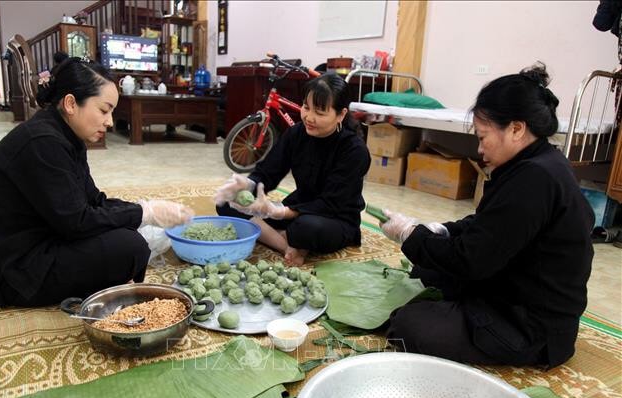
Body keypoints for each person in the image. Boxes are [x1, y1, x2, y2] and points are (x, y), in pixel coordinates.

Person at [380, 63, 595, 368]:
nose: (479, 148)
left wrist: (411, 235)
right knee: (426, 273)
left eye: (483, 137)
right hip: (513, 287)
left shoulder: (534, 179)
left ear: (517, 129)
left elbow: (473, 260)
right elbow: (490, 224)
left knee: (406, 325)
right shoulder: (539, 162)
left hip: (530, 325)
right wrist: (443, 230)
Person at [0, 52, 194, 307]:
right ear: (71, 104)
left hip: (40, 237)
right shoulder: (42, 143)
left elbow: (93, 201)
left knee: (126, 231)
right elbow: (77, 222)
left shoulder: (66, 137)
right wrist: (144, 213)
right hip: (8, 273)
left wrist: (144, 210)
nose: (109, 122)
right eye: (104, 110)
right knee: (130, 246)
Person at [214, 73, 371, 266]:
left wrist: (281, 212)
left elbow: (330, 203)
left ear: (341, 114)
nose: (309, 117)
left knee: (305, 227)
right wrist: (248, 183)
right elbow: (268, 172)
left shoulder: (354, 150)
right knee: (227, 203)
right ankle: (286, 245)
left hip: (334, 217)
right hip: (298, 207)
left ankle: (293, 238)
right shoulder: (297, 133)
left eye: (320, 113)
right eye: (306, 107)